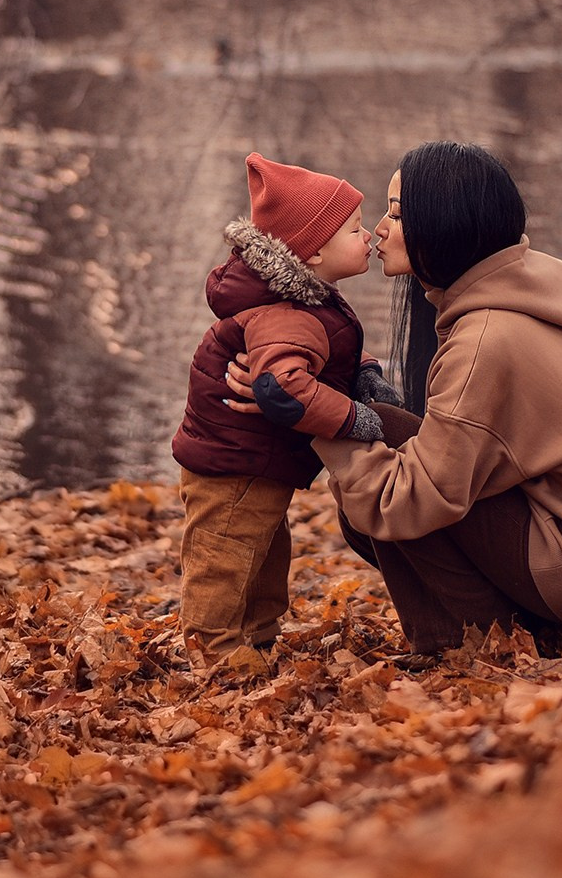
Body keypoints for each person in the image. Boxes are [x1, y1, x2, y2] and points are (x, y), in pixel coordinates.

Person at [230, 141, 562, 656]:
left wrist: (315, 414)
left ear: (442, 223)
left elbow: (411, 500)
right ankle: (519, 627)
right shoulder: (523, 293)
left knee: (378, 469)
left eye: (396, 213)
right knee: (380, 450)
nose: (378, 229)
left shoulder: (485, 338)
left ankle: (462, 642)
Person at [171, 152, 400, 665]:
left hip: (258, 461)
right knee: (224, 556)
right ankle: (214, 651)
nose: (369, 237)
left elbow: (328, 351)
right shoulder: (286, 313)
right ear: (313, 253)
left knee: (265, 552)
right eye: (355, 230)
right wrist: (352, 417)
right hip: (232, 463)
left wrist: (365, 373)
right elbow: (280, 385)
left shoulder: (310, 299)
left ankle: (258, 634)